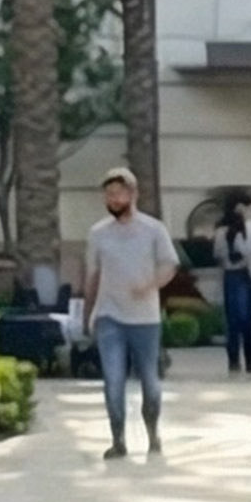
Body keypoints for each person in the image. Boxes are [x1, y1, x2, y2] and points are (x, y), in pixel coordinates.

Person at [84, 167, 178, 461]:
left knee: (149, 380)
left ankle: (153, 434)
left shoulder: (154, 230)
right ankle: (118, 440)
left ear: (133, 194)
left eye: (118, 194)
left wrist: (149, 286)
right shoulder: (98, 233)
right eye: (108, 195)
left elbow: (169, 265)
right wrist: (87, 313)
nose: (113, 199)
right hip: (109, 316)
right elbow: (93, 275)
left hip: (145, 319)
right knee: (113, 380)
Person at [218, 194, 251, 374]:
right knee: (238, 320)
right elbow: (224, 254)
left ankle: (245, 362)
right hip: (236, 275)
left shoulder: (243, 230)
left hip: (241, 275)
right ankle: (240, 361)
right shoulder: (227, 232)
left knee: (244, 320)